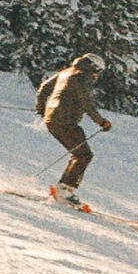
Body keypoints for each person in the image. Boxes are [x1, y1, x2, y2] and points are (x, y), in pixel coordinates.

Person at [36, 53, 113, 203]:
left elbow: (44, 87)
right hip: (65, 121)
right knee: (84, 155)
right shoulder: (84, 76)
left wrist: (41, 108)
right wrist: (101, 122)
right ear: (93, 67)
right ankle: (64, 191)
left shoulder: (65, 72)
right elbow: (85, 101)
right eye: (98, 71)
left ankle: (63, 189)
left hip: (52, 119)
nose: (97, 75)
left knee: (80, 153)